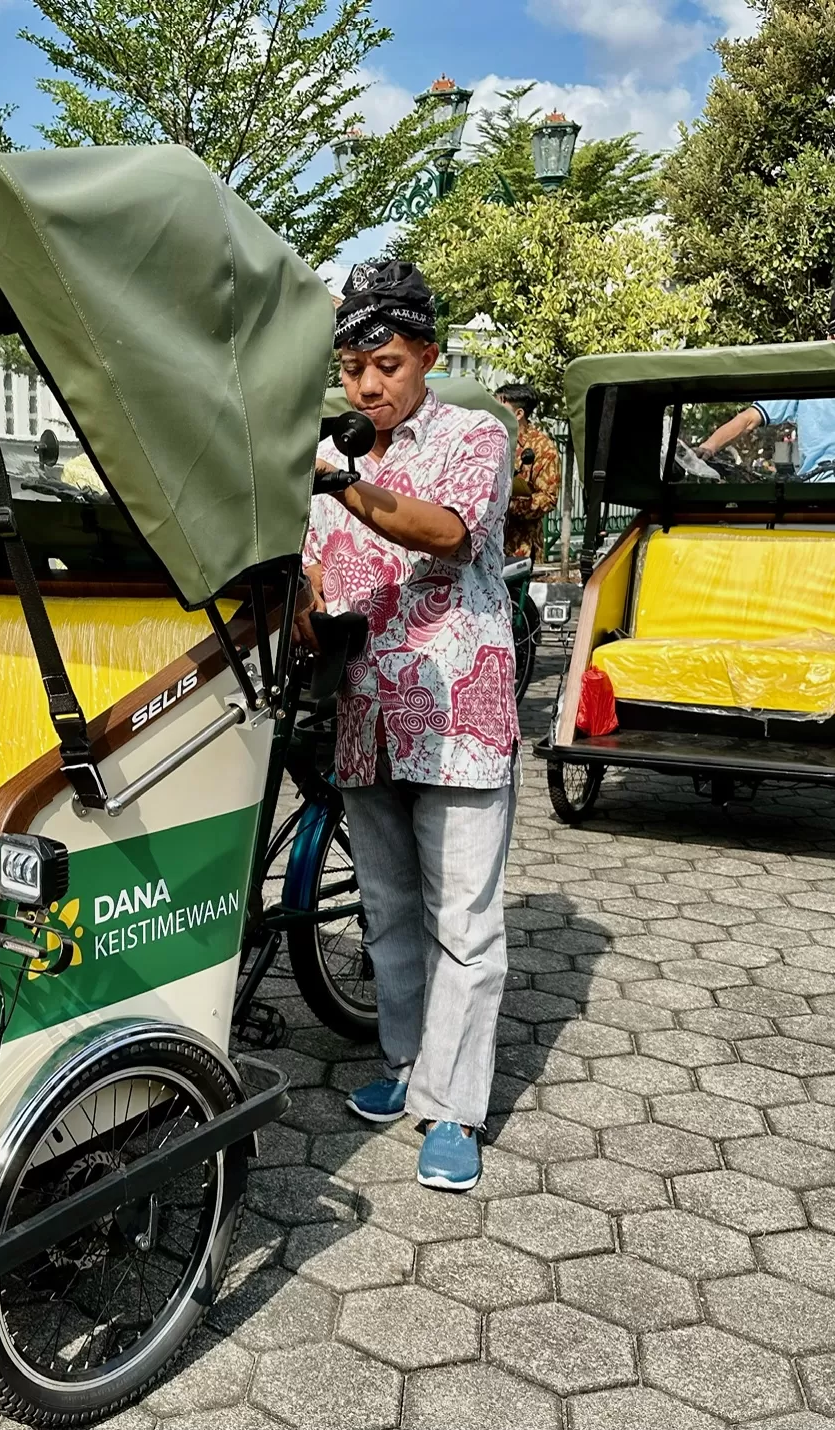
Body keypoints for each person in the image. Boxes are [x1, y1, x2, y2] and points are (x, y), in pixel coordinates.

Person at [297, 259, 516, 1193]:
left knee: (461, 919)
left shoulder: (474, 434)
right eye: (351, 369)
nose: (368, 385)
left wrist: (339, 483)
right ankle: (404, 1065)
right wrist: (307, 603)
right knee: (387, 908)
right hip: (365, 712)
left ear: (426, 353)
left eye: (385, 363)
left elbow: (446, 533)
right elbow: (316, 570)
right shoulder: (341, 455)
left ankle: (456, 1107)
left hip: (458, 711)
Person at [695, 280, 835, 479]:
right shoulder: (806, 379)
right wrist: (707, 448)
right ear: (833, 338)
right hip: (817, 494)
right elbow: (749, 419)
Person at [496, 384, 560, 561]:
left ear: (519, 414)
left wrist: (508, 504)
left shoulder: (542, 448)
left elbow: (548, 498)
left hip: (520, 549)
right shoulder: (493, 439)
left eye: (500, 408)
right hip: (487, 546)